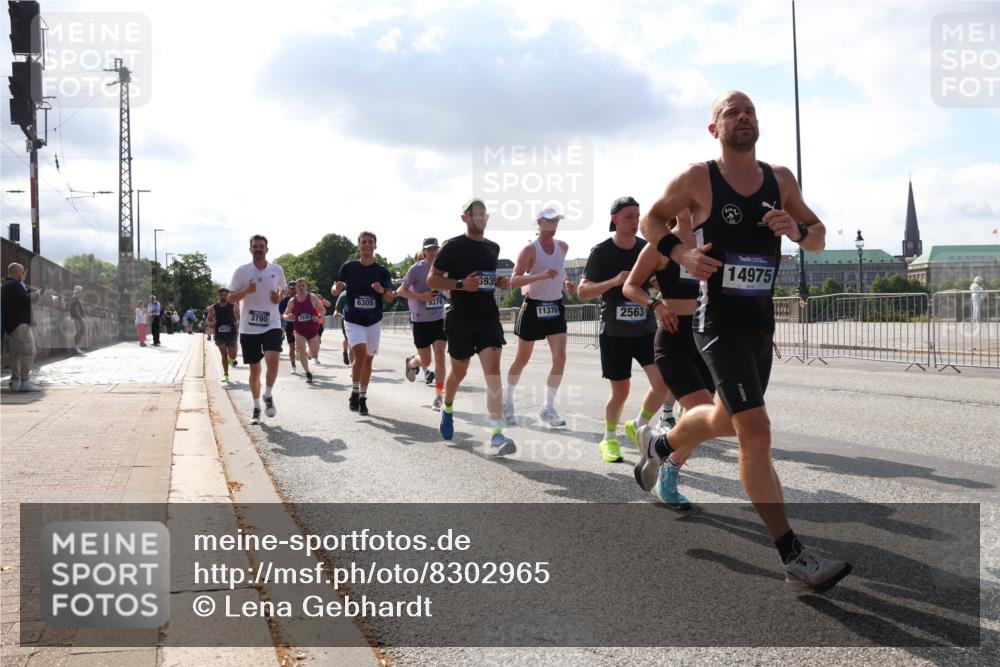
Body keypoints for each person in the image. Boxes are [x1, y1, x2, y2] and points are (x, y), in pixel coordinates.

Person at [633, 90, 851, 593]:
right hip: (718, 322)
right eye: (731, 112)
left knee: (727, 420)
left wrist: (796, 230)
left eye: (749, 110)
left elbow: (818, 235)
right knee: (756, 432)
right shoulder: (699, 178)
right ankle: (792, 554)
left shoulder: (781, 180)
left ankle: (661, 443)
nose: (743, 117)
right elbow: (651, 220)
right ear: (715, 129)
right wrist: (682, 254)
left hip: (759, 323)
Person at [623, 211, 716, 509]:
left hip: (706, 338)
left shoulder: (710, 241)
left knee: (705, 421)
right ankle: (663, 459)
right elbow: (630, 286)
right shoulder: (661, 245)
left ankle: (665, 461)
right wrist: (656, 306)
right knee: (702, 411)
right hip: (673, 337)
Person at [577, 196, 670, 463]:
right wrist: (614, 281)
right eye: (629, 217)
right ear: (614, 219)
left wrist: (657, 283)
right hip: (615, 333)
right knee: (621, 392)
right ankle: (609, 438)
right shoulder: (601, 251)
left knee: (662, 383)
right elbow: (582, 291)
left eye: (637, 216)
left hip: (646, 329)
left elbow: (659, 281)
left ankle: (637, 425)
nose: (634, 222)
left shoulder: (646, 248)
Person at [428, 198, 516, 455]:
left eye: (482, 213)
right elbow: (432, 279)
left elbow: (485, 278)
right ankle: (447, 407)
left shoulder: (493, 248)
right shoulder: (452, 246)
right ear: (464, 218)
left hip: (487, 317)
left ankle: (497, 434)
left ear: (487, 218)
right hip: (460, 319)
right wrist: (460, 284)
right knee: (459, 372)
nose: (479, 217)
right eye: (474, 213)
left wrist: (498, 282)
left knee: (493, 372)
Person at [504, 207, 577, 428]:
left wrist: (566, 282)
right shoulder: (529, 249)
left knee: (560, 357)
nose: (554, 225)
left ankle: (548, 408)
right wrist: (541, 275)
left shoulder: (563, 247)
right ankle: (507, 402)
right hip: (533, 307)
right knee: (522, 359)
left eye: (557, 221)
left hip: (555, 307)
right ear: (539, 223)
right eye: (550, 221)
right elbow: (514, 281)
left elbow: (560, 269)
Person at [331, 231, 395, 416]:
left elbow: (390, 297)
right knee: (360, 354)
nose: (367, 245)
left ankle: (362, 397)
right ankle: (354, 391)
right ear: (359, 245)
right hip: (353, 319)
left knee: (368, 359)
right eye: (363, 242)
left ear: (375, 246)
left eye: (370, 242)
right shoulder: (349, 267)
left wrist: (382, 290)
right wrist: (337, 288)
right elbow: (334, 290)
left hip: (373, 320)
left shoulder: (382, 271)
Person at [228, 234, 287, 424]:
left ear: (267, 249)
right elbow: (230, 298)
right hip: (249, 328)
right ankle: (256, 408)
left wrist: (279, 296)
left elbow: (283, 289)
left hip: (272, 324)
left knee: (273, 360)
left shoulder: (276, 269)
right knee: (255, 371)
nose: (258, 249)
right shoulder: (241, 272)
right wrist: (245, 291)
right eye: (255, 246)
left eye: (261, 246)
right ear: (250, 249)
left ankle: (268, 394)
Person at [398, 238, 448, 410]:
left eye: (435, 249)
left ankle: (439, 397)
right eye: (429, 249)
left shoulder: (445, 268)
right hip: (420, 321)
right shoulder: (416, 269)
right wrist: (421, 297)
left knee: (440, 356)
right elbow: (401, 290)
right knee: (426, 360)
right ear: (424, 252)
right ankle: (412, 363)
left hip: (439, 319)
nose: (433, 252)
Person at [2, 263, 40, 391]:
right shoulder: (15, 285)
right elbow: (27, 299)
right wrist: (39, 294)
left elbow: (23, 295)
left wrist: (26, 287)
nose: (24, 274)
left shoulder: (7, 285)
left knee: (16, 354)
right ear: (17, 272)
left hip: (11, 325)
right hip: (20, 324)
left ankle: (15, 381)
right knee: (29, 351)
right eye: (22, 272)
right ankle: (24, 382)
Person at [283, 278, 324, 383]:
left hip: (312, 329)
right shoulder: (292, 301)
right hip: (299, 330)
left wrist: (319, 317)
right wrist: (288, 316)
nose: (301, 287)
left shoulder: (313, 297)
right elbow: (284, 315)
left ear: (306, 287)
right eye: (299, 286)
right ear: (296, 288)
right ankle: (308, 372)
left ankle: (308, 354)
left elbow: (323, 310)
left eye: (303, 285)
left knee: (314, 354)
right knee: (301, 349)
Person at [206, 287, 240, 383]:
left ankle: (231, 360)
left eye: (225, 295)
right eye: (221, 295)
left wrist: (238, 324)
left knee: (233, 355)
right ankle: (226, 375)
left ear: (228, 295)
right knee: (223, 354)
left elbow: (240, 316)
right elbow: (208, 320)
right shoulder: (213, 307)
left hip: (231, 333)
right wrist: (211, 323)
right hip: (219, 334)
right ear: (218, 296)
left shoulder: (233, 305)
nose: (223, 297)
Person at [278, 284, 298, 373]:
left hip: (301, 325)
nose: (293, 290)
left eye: (294, 288)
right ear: (288, 290)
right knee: (292, 347)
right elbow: (280, 313)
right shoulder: (285, 300)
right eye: (291, 288)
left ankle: (301, 351)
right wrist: (286, 316)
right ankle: (293, 366)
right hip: (290, 326)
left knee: (301, 345)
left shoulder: (302, 298)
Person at [334, 290, 351, 366]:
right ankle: (345, 353)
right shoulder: (344, 294)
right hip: (346, 320)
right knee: (347, 338)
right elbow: (337, 309)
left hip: (360, 320)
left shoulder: (363, 291)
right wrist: (336, 313)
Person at [69, 285, 86, 354]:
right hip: (77, 318)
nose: (81, 292)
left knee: (81, 331)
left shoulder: (75, 297)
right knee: (79, 332)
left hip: (78, 317)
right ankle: (76, 348)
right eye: (81, 291)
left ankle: (76, 347)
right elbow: (76, 309)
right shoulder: (75, 297)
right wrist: (81, 318)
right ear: (78, 291)